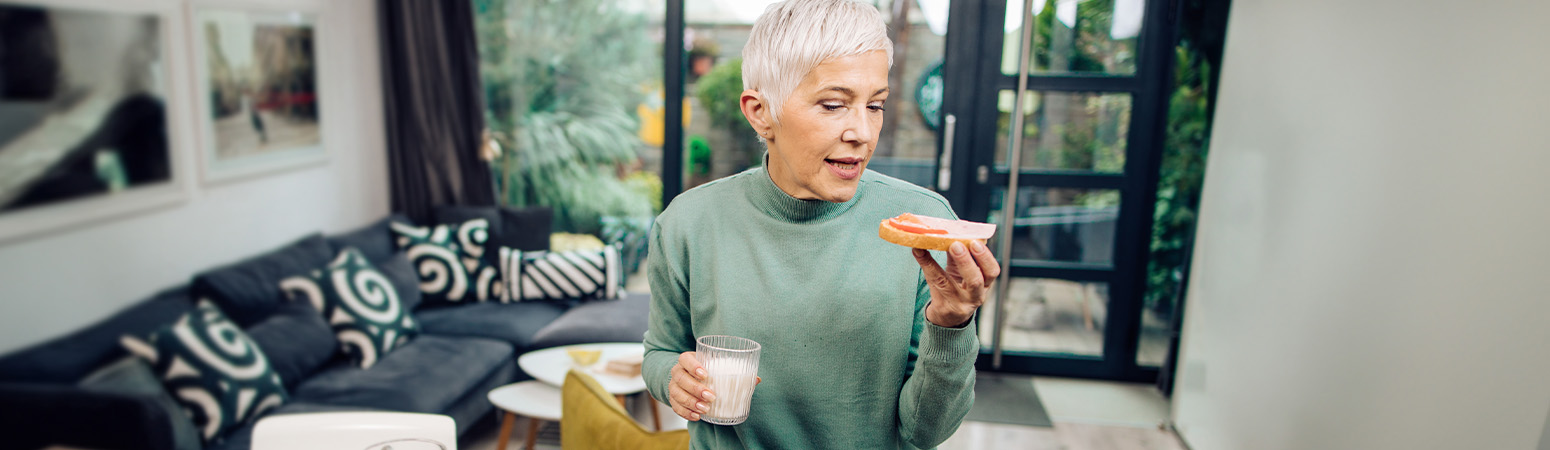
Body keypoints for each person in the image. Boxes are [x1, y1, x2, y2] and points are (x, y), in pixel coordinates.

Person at [641, 0, 1001, 448]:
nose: (863, 133)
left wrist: (952, 325)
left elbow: (926, 432)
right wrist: (674, 380)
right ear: (760, 112)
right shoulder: (688, 223)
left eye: (875, 105)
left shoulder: (925, 232)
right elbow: (660, 352)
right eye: (833, 105)